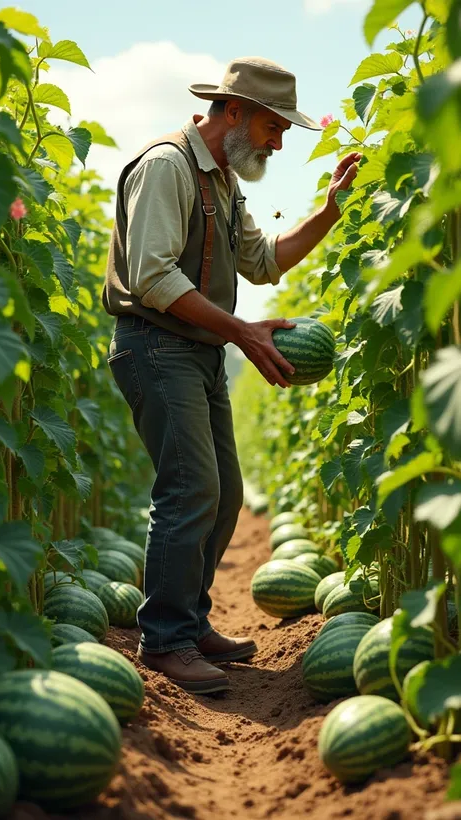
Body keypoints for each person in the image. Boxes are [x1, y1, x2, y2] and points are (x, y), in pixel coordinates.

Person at [102, 56, 361, 695]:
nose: (281, 142)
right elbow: (154, 277)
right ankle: (164, 640)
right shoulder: (167, 167)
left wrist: (330, 211)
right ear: (236, 112)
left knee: (225, 496)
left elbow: (264, 260)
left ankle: (189, 621)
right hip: (155, 347)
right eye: (277, 127)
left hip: (198, 349)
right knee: (190, 491)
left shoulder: (222, 179)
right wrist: (242, 332)